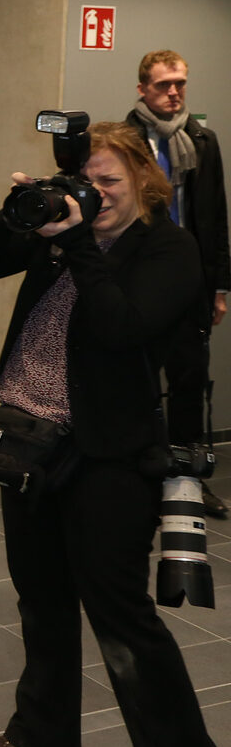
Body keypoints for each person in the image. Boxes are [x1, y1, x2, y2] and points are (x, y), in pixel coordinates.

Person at [0, 121, 230, 747]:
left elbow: (120, 327)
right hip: (30, 447)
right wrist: (21, 214)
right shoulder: (57, 240)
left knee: (123, 621)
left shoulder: (169, 248)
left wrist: (78, 239)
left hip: (110, 458)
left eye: (111, 181)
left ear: (143, 178)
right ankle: (44, 729)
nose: (98, 193)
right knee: (41, 600)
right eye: (88, 182)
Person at [123, 50, 230, 515]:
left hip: (191, 283)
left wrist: (220, 288)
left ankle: (189, 477)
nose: (174, 92)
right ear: (143, 88)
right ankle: (130, 474)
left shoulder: (202, 140)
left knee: (190, 382)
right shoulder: (123, 140)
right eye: (164, 84)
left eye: (180, 84)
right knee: (134, 379)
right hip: (139, 281)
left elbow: (216, 218)